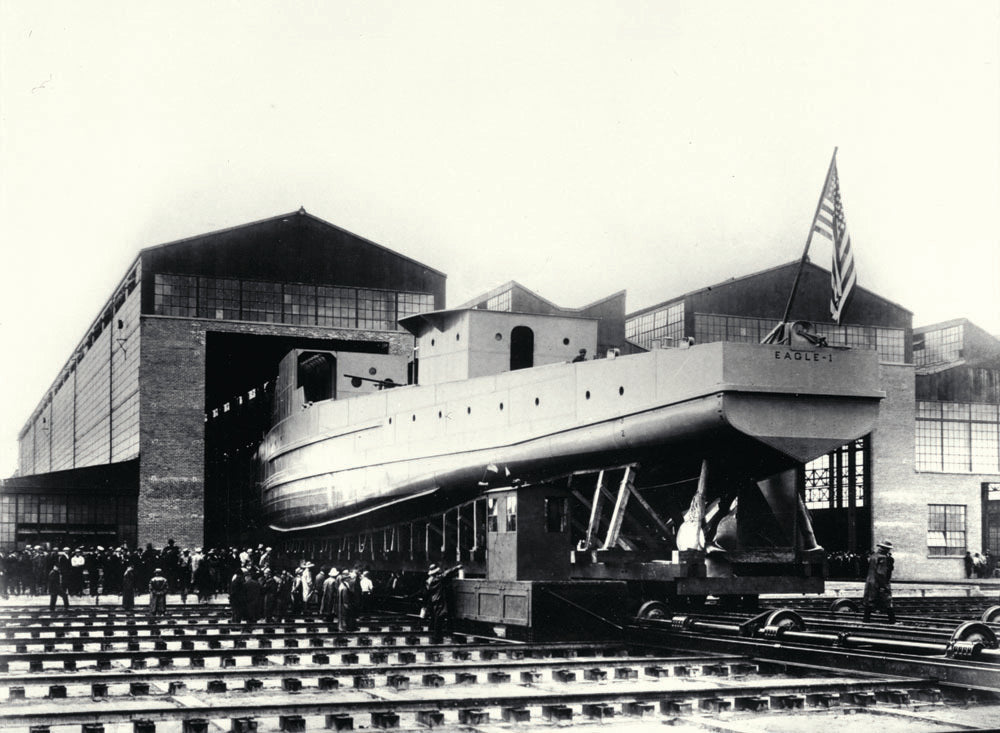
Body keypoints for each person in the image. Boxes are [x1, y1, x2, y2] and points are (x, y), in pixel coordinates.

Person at [424, 563, 462, 641]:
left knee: (435, 619)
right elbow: (446, 574)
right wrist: (457, 567)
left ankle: (435, 637)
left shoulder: (429, 580)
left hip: (433, 601)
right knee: (439, 619)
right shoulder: (437, 579)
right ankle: (437, 638)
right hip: (439, 601)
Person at [862, 540, 895, 624]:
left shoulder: (873, 556)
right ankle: (892, 620)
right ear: (886, 549)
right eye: (888, 549)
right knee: (888, 600)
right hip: (878, 582)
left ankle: (866, 620)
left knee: (869, 601)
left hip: (870, 581)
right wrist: (884, 585)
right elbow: (881, 573)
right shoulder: (883, 558)